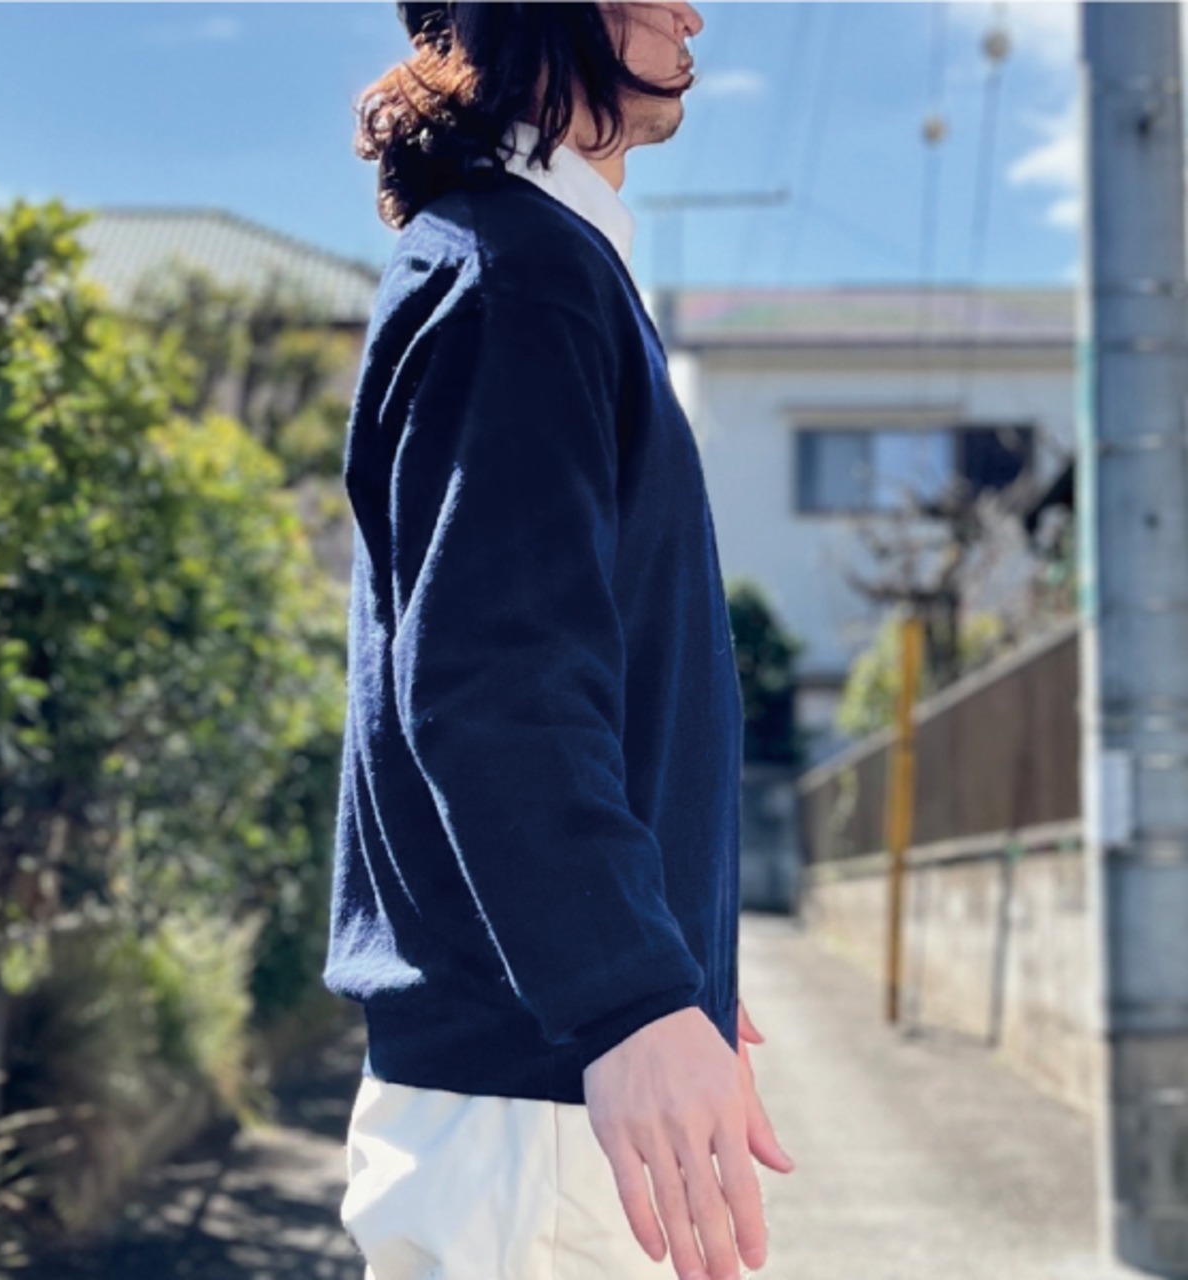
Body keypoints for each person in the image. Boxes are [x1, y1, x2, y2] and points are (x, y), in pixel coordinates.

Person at [325, 5, 795, 1278]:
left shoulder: (528, 263)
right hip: (530, 1106)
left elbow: (546, 665)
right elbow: (493, 683)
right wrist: (625, 991)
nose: (690, 7)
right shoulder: (514, 274)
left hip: (532, 1095)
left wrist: (663, 948)